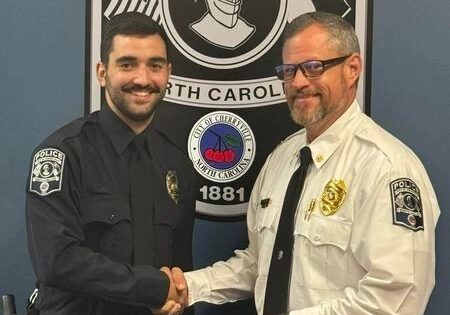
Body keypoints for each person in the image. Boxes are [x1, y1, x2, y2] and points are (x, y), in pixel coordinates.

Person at [169, 11, 441, 315]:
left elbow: (396, 298)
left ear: (352, 69)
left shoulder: (386, 167)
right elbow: (259, 264)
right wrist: (190, 287)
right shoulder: (281, 160)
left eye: (313, 67)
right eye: (289, 70)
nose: (298, 82)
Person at [25, 12, 195, 315]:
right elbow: (57, 261)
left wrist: (178, 300)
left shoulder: (177, 164)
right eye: (127, 64)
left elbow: (180, 269)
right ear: (102, 72)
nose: (143, 79)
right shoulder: (62, 155)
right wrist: (153, 289)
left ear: (168, 72)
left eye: (155, 65)